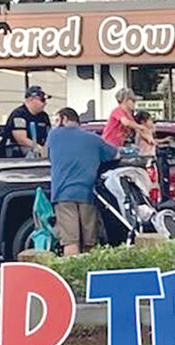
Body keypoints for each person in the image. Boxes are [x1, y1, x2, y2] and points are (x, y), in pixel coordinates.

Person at [46, 107, 119, 256]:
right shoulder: (93, 139)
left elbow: (47, 154)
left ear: (64, 119)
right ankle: (88, 273)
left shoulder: (54, 135)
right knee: (89, 242)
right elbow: (115, 154)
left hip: (63, 195)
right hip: (87, 194)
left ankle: (72, 275)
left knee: (70, 240)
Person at [1, 86, 51, 158]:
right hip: (18, 155)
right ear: (31, 100)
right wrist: (40, 149)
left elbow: (48, 135)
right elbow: (21, 139)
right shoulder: (19, 114)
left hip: (40, 153)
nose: (45, 103)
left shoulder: (43, 116)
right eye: (42, 100)